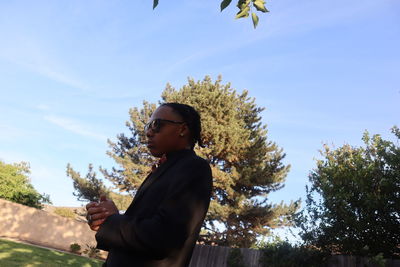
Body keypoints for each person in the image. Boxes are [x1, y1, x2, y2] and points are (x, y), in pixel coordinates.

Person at [85, 103, 213, 267]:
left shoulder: (194, 168)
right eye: (148, 126)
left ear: (183, 129)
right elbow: (141, 232)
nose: (149, 132)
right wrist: (104, 219)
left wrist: (111, 221)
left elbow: (163, 237)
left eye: (157, 124)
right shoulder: (165, 168)